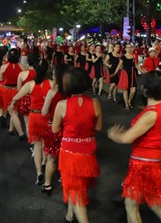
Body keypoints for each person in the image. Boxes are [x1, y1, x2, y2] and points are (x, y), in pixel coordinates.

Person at [108, 71, 161, 223]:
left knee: (133, 205)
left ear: (146, 90)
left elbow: (127, 138)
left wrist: (114, 135)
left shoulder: (151, 114)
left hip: (144, 164)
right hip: (154, 160)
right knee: (155, 204)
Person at [52, 67, 102, 223]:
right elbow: (98, 127)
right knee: (78, 187)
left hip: (69, 153)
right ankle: (69, 216)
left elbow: (55, 129)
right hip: (88, 152)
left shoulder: (62, 104)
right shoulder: (95, 102)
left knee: (75, 193)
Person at [11, 59, 51, 183]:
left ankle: (39, 172)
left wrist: (12, 104)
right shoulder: (52, 84)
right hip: (47, 116)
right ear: (47, 70)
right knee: (47, 143)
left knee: (37, 144)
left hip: (34, 116)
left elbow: (16, 96)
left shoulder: (30, 85)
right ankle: (45, 162)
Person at [41, 63, 69, 195]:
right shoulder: (71, 93)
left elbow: (44, 112)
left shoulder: (52, 92)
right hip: (69, 129)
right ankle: (66, 181)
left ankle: (47, 184)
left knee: (52, 158)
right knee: (66, 157)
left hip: (54, 128)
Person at [0, 48, 25, 139]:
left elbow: (1, 78)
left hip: (7, 90)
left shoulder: (3, 66)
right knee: (14, 111)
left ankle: (21, 133)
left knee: (12, 112)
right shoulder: (22, 66)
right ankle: (11, 129)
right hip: (18, 91)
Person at [115, 43, 142, 111]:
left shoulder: (134, 56)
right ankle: (126, 104)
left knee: (133, 90)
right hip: (126, 74)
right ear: (125, 48)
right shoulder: (123, 57)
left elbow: (136, 65)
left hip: (133, 74)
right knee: (125, 90)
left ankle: (129, 100)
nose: (129, 48)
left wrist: (142, 71)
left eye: (130, 47)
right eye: (128, 47)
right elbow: (119, 65)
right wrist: (115, 72)